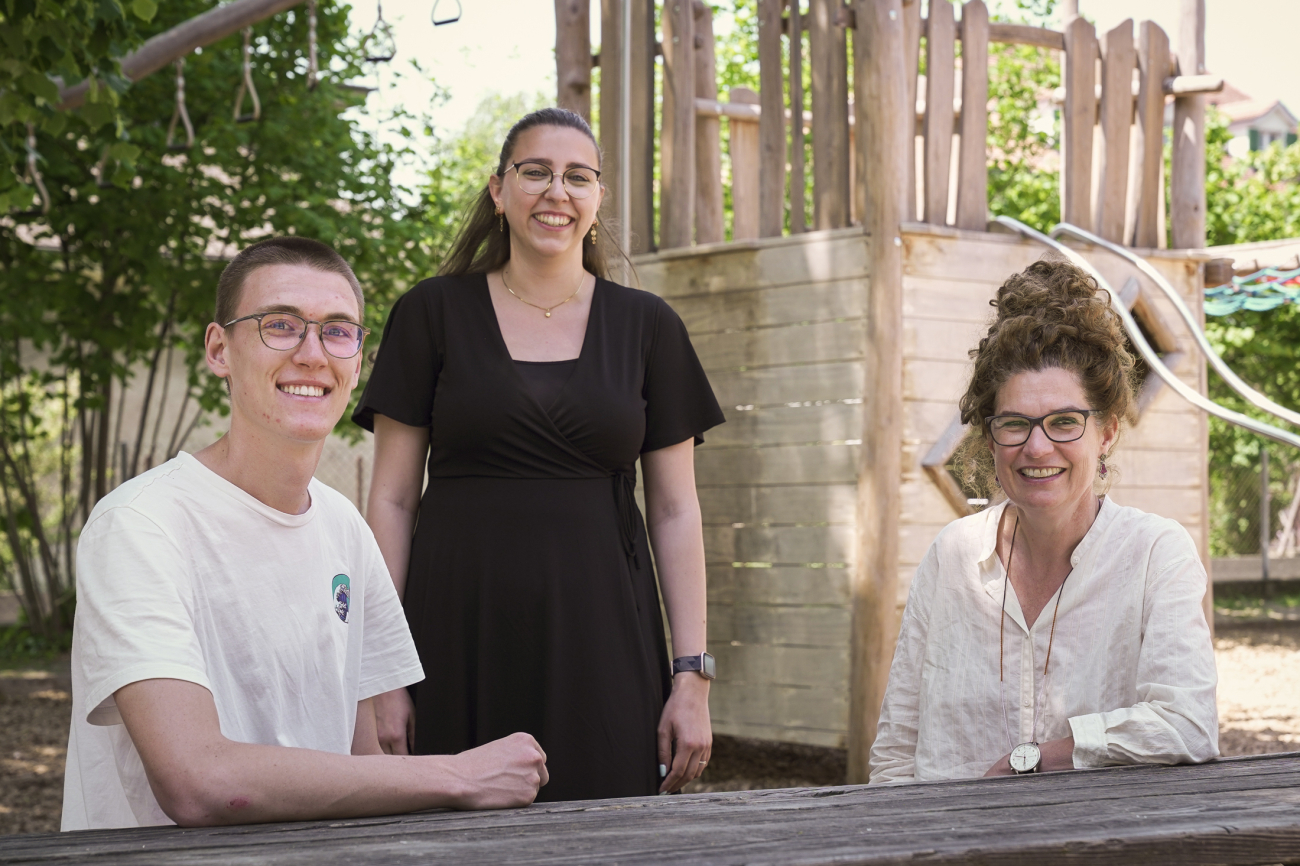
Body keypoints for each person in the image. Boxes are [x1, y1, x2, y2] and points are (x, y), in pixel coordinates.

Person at [62, 238, 548, 831]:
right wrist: (459, 776)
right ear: (220, 350)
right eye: (281, 325)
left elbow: (363, 768)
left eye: (338, 331)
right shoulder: (141, 525)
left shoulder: (345, 528)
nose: (313, 354)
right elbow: (196, 782)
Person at [354, 107, 725, 800]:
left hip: (605, 633)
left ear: (598, 199)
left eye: (577, 177)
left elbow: (677, 510)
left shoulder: (649, 328)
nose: (558, 191)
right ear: (498, 191)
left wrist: (691, 676)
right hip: (453, 632)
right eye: (536, 172)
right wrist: (383, 672)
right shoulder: (430, 314)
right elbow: (393, 500)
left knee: (605, 832)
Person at [869, 259, 1219, 784]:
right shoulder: (952, 556)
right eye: (1014, 423)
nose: (1037, 446)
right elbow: (896, 755)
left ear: (1106, 434)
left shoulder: (1153, 554)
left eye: (1064, 422)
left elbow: (1187, 725)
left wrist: (1034, 759)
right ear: (990, 439)